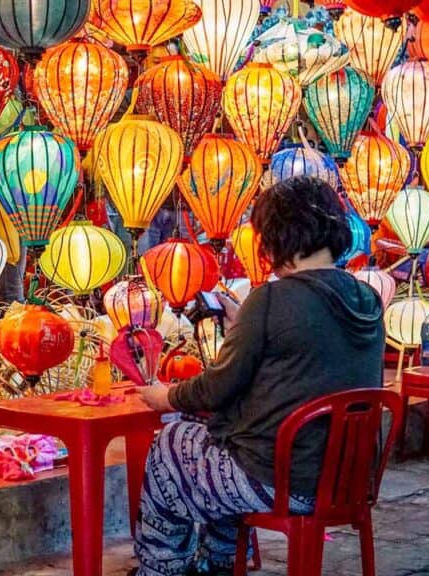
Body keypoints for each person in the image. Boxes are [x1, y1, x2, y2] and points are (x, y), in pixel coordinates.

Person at [132, 176, 387, 576]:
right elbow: (307, 354)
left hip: (280, 481)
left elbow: (217, 387)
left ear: (275, 237)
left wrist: (165, 396)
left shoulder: (272, 299)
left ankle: (162, 567)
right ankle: (217, 562)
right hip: (346, 481)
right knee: (220, 441)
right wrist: (246, 322)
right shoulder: (366, 297)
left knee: (173, 443)